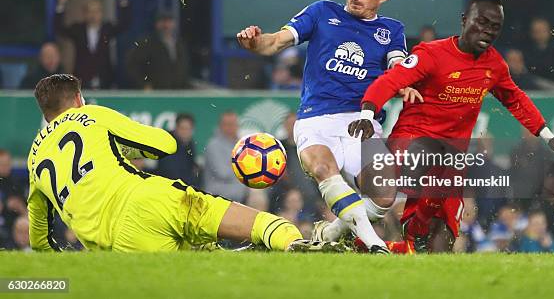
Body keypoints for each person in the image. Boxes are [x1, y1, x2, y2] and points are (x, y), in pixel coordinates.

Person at [348, 0, 554, 253]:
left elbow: (515, 99)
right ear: (465, 19)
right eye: (481, 22)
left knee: (442, 243)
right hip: (413, 143)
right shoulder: (431, 54)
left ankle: (381, 244)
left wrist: (550, 137)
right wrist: (367, 114)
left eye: (495, 27)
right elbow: (389, 81)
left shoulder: (494, 65)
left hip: (452, 159)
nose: (487, 31)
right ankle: (402, 227)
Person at [27, 74, 337, 252]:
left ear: (44, 111)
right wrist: (124, 152)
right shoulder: (92, 114)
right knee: (259, 223)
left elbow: (39, 238)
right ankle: (296, 245)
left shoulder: (34, 158)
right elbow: (165, 144)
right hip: (150, 201)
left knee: (197, 270)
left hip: (119, 246)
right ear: (79, 97)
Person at [236, 0, 412, 253]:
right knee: (322, 168)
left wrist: (403, 81)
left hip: (362, 122)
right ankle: (374, 244)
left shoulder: (392, 30)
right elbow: (276, 41)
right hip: (316, 119)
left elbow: (397, 66)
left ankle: (330, 232)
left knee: (384, 197)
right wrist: (255, 43)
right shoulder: (321, 13)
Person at [54, 0, 131, 89]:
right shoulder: (78, 30)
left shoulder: (107, 29)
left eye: (96, 11)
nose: (93, 15)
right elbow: (59, 29)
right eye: (90, 11)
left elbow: (125, 24)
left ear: (101, 13)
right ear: (84, 14)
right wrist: (61, 4)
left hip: (105, 80)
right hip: (82, 80)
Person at [126, 12, 190, 90]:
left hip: (177, 93)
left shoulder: (180, 44)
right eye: (163, 21)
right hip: (155, 93)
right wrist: (143, 85)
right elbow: (132, 66)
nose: (166, 25)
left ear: (174, 24)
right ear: (157, 24)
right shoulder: (146, 43)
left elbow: (182, 69)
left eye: (169, 22)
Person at [202, 111, 249, 203]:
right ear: (221, 126)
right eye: (227, 124)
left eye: (233, 124)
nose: (231, 127)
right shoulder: (213, 144)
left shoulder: (242, 144)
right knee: (255, 195)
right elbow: (223, 173)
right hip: (219, 192)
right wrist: (245, 168)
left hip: (238, 188)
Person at [153, 113, 199, 187]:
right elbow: (170, 173)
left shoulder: (190, 144)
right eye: (182, 128)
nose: (185, 132)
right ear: (176, 128)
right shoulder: (168, 142)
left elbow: (193, 168)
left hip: (184, 188)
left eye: (188, 129)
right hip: (167, 187)